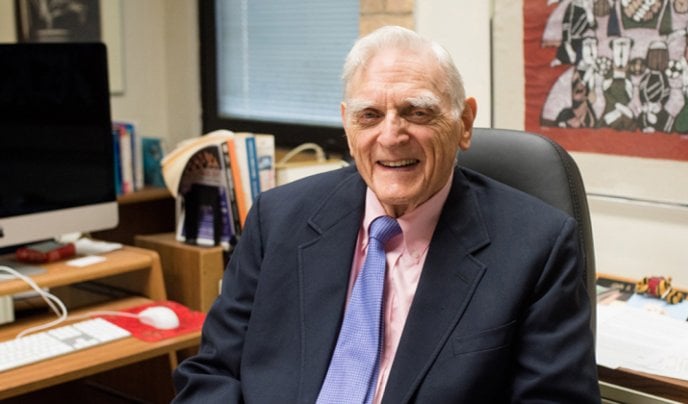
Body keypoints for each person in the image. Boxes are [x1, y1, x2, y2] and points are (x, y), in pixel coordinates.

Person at [172, 25, 599, 403]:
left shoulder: (537, 246)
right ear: (348, 125)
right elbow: (213, 371)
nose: (391, 136)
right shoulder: (278, 219)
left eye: (418, 112)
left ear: (464, 123)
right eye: (370, 115)